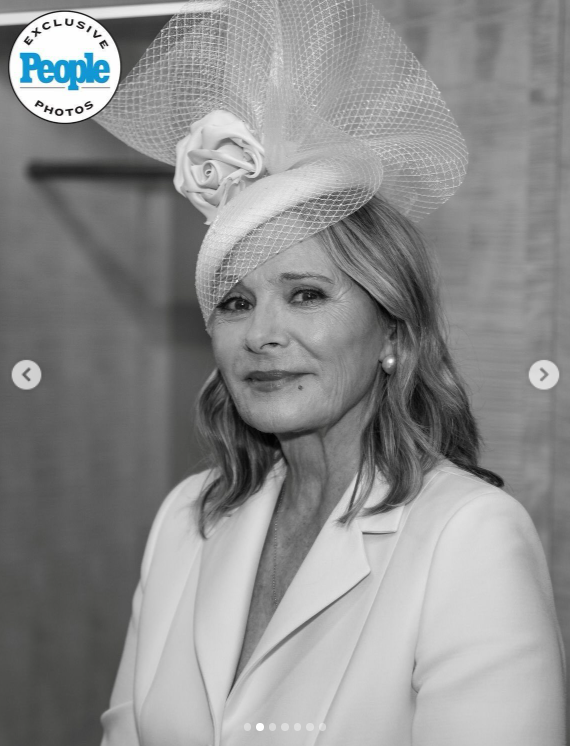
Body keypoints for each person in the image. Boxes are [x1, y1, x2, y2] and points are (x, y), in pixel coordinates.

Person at [95, 1, 567, 744]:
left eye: (307, 295)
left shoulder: (468, 535)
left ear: (392, 332)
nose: (261, 334)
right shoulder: (188, 517)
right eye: (235, 303)